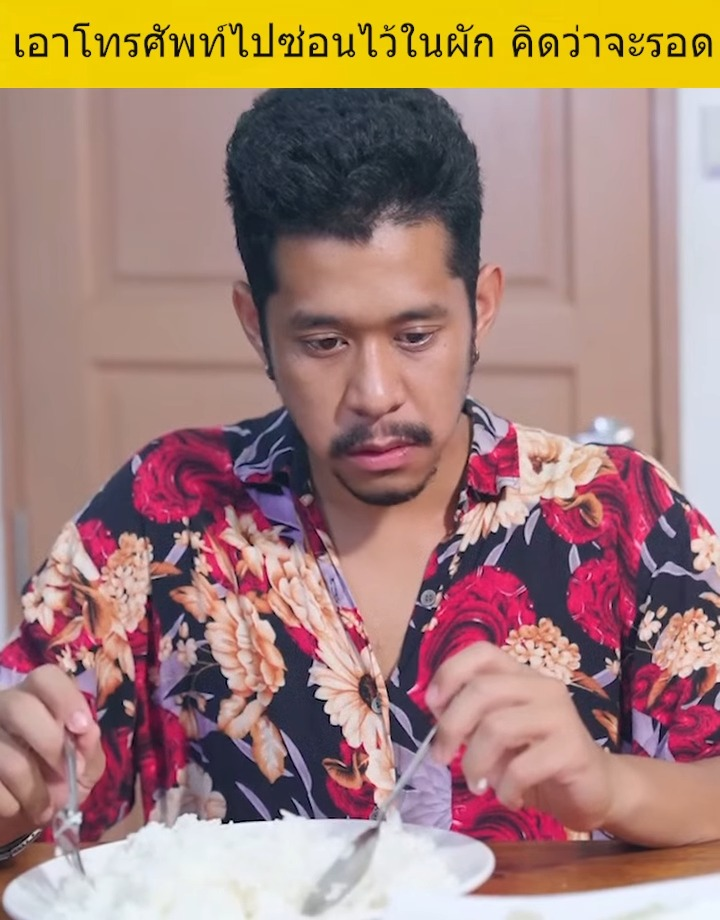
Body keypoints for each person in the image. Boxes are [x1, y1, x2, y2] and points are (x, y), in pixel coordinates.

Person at [0, 89, 719, 861]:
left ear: (481, 306)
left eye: (416, 335)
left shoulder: (625, 512)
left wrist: (612, 787)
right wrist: (17, 802)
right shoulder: (162, 506)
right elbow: (33, 794)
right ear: (256, 326)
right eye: (323, 343)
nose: (375, 394)